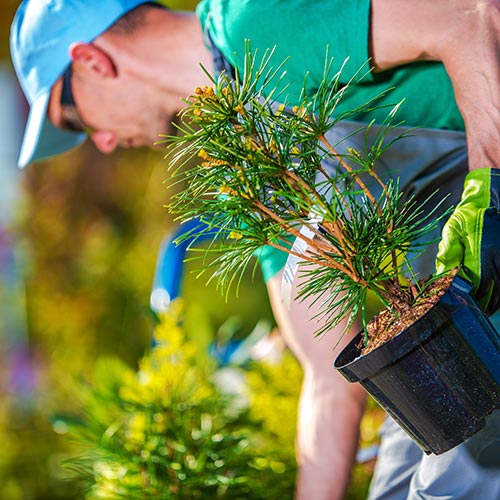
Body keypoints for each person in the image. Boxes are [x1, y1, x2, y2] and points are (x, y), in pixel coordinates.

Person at [9, 1, 500, 499]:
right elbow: (328, 379)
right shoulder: (249, 171)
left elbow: (472, 19)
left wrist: (492, 192)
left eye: (73, 120)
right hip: (463, 329)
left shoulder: (256, 18)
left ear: (94, 61)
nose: (105, 142)